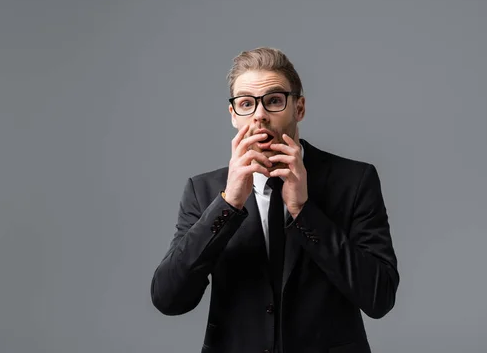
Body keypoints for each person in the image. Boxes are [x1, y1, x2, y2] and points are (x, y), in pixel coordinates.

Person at [150, 47, 399, 353]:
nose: (259, 115)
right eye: (246, 104)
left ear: (300, 108)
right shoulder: (203, 191)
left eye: (274, 101)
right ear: (233, 116)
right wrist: (228, 206)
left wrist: (303, 210)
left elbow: (380, 298)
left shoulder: (354, 181)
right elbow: (169, 299)